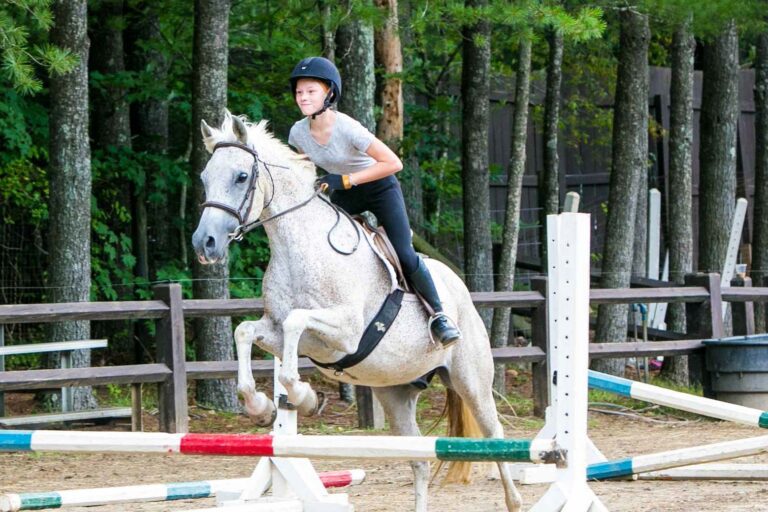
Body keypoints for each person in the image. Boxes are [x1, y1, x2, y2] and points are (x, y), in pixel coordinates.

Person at [287, 56, 461, 347]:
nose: (303, 97)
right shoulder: (297, 133)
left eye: (310, 91)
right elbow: (303, 169)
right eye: (299, 92)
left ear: (329, 92)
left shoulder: (347, 127)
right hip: (343, 192)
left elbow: (393, 162)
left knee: (404, 253)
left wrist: (346, 179)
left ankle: (439, 316)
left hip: (379, 187)